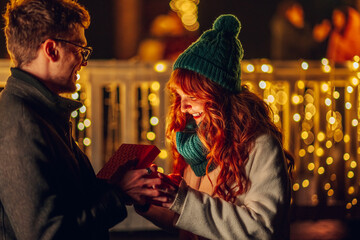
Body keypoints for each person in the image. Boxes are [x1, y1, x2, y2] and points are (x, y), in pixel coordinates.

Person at [0, 0, 166, 239]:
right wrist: (118, 194)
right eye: (79, 49)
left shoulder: (40, 111)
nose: (84, 61)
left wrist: (120, 184)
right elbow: (48, 234)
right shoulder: (21, 122)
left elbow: (68, 200)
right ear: (51, 50)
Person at [135, 14, 294, 239]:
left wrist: (181, 199)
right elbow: (186, 221)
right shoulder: (195, 142)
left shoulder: (259, 144)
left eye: (192, 96)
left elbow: (262, 229)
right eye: (179, 96)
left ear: (217, 93)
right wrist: (148, 199)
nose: (183, 107)